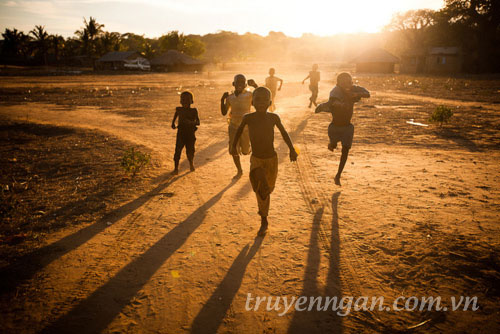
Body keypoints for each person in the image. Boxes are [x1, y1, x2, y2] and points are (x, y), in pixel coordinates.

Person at [231, 87, 298, 236]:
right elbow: (239, 131)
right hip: (256, 159)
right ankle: (264, 221)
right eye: (258, 99)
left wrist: (292, 149)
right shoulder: (248, 118)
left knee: (267, 191)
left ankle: (264, 212)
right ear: (252, 102)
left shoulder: (274, 117)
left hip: (271, 159)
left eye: (264, 100)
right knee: (262, 187)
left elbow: (284, 133)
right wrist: (233, 146)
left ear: (270, 102)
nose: (261, 103)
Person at [315, 72, 370, 186]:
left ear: (351, 82)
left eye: (349, 82)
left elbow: (367, 94)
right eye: (344, 83)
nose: (347, 85)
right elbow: (331, 102)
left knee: (345, 151)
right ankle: (332, 143)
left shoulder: (353, 89)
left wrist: (355, 95)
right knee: (333, 145)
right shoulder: (335, 91)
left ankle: (338, 175)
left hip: (347, 127)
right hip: (334, 127)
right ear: (338, 83)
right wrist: (326, 106)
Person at [221, 74, 258, 177]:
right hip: (233, 126)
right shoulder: (230, 97)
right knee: (234, 150)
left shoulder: (249, 95)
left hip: (246, 127)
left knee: (245, 151)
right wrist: (222, 100)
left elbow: (259, 99)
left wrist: (255, 86)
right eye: (238, 82)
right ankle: (239, 170)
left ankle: (247, 149)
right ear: (234, 84)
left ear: (246, 84)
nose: (240, 84)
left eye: (242, 82)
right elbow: (224, 112)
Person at [171, 91, 200, 175]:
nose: (185, 102)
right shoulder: (179, 109)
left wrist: (191, 122)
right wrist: (173, 124)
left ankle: (191, 164)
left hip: (190, 134)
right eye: (183, 100)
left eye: (187, 100)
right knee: (178, 151)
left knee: (190, 151)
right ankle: (176, 168)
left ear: (191, 101)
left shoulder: (194, 111)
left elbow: (198, 122)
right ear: (180, 101)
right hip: (181, 133)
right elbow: (174, 119)